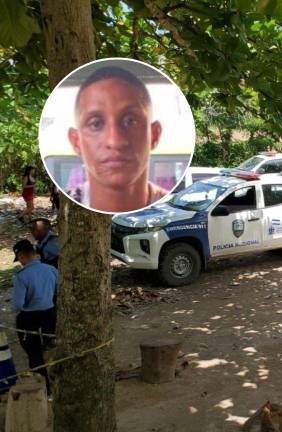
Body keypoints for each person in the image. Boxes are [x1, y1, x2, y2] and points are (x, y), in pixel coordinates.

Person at [66, 65, 167, 212]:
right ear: (76, 142)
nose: (115, 141)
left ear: (154, 135)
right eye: (96, 124)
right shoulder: (68, 205)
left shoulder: (173, 207)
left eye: (130, 121)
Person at [11, 239, 57, 393]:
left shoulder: (21, 276)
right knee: (52, 348)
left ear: (22, 256)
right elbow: (58, 292)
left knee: (35, 354)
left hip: (29, 319)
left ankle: (44, 389)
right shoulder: (51, 269)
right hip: (50, 315)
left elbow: (17, 304)